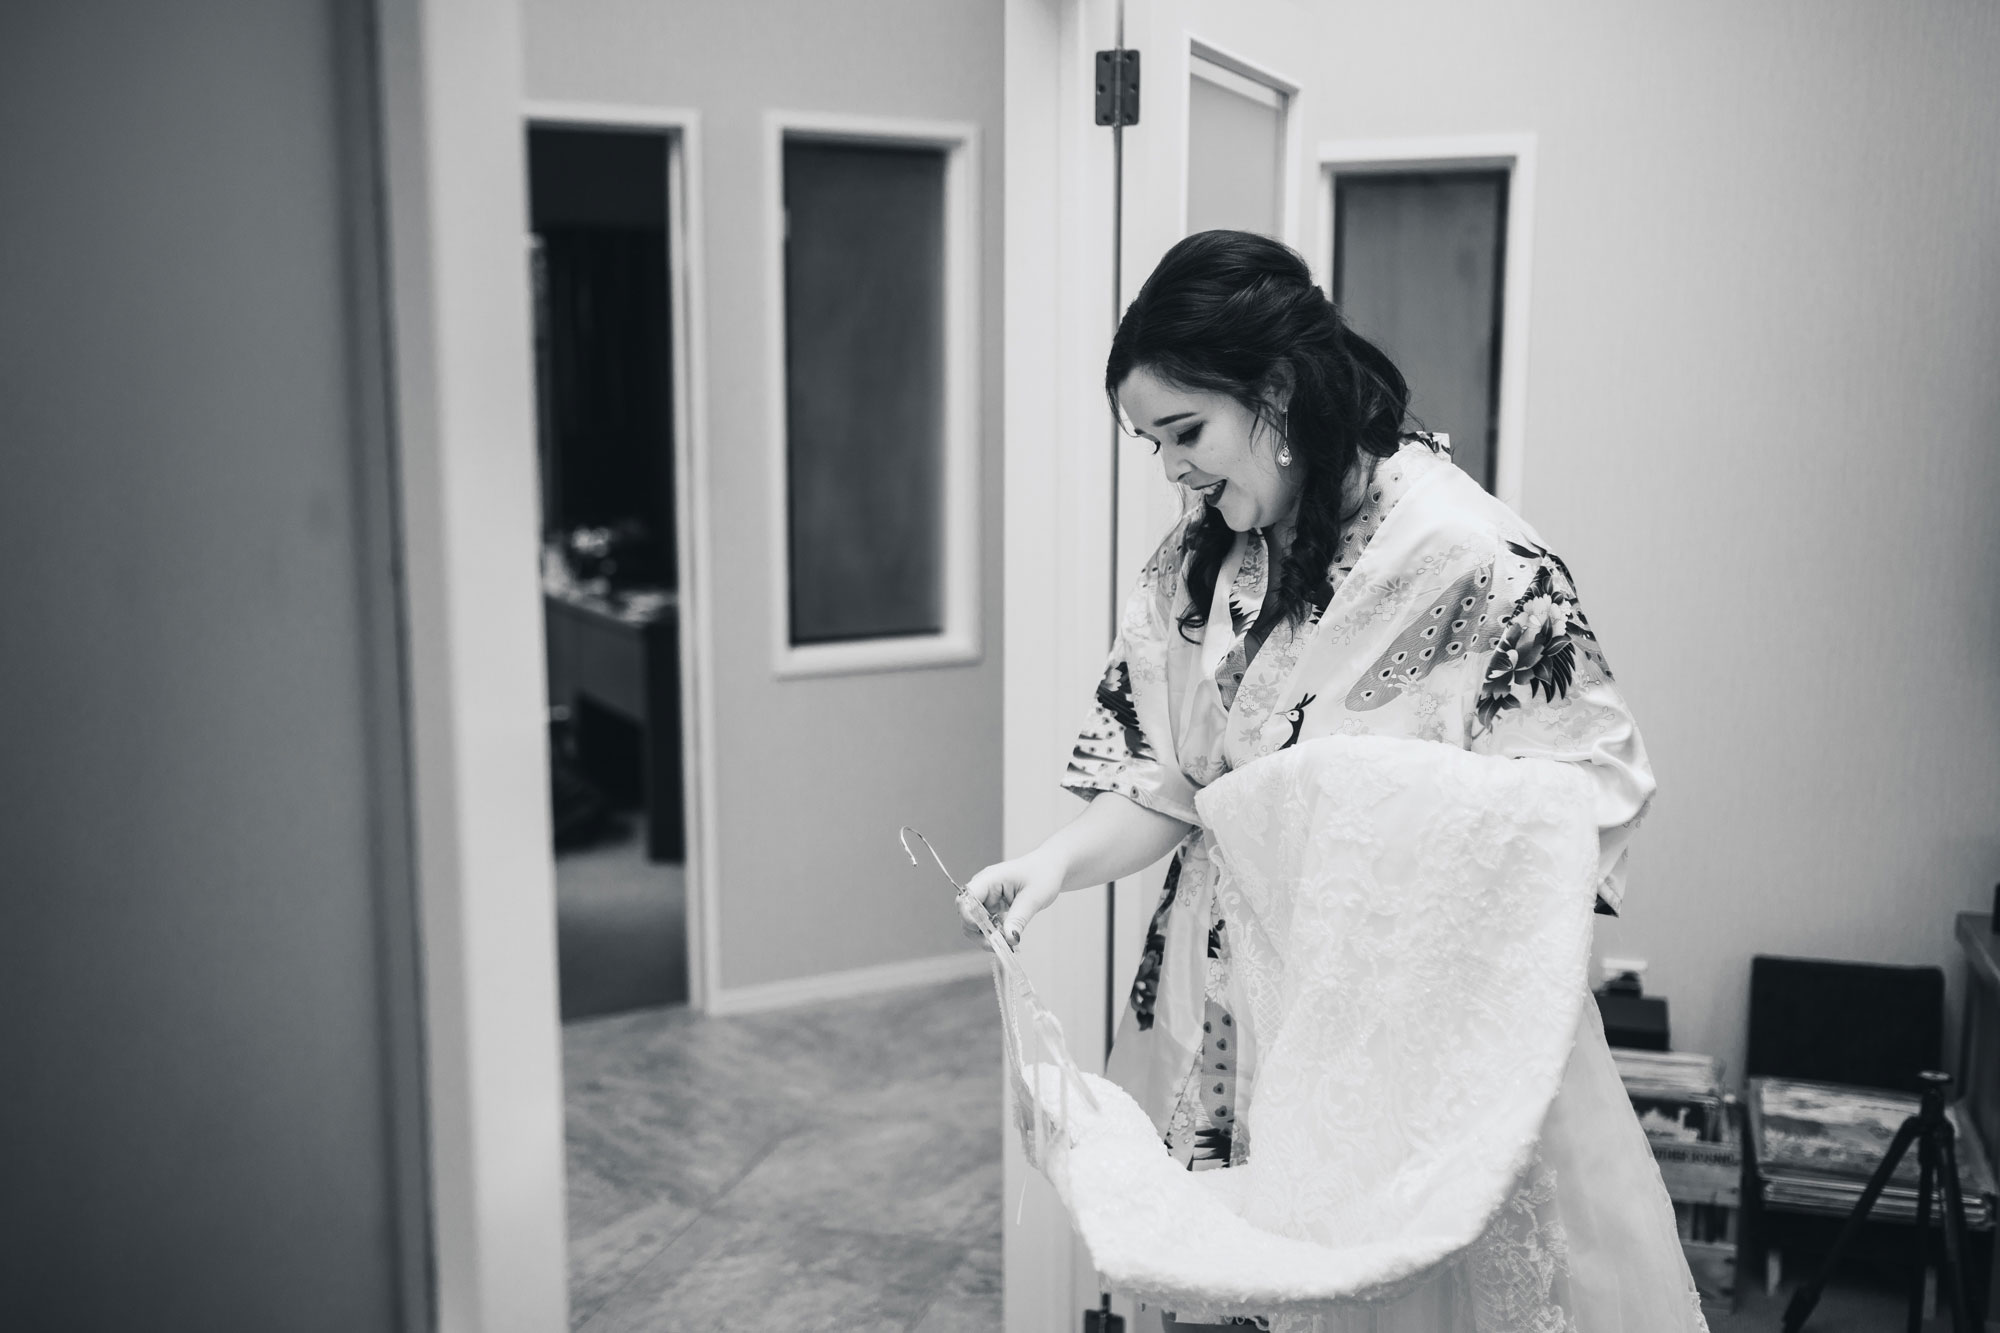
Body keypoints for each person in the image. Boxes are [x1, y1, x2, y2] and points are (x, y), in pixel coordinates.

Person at [963, 231, 1695, 1330]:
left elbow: (1585, 795)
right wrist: (1052, 865)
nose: (1173, 472)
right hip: (1222, 1022)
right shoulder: (1198, 559)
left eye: (1185, 433)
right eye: (1151, 444)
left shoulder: (1473, 562)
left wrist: (1376, 850)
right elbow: (1168, 778)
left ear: (1275, 390)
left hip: (1395, 1042)